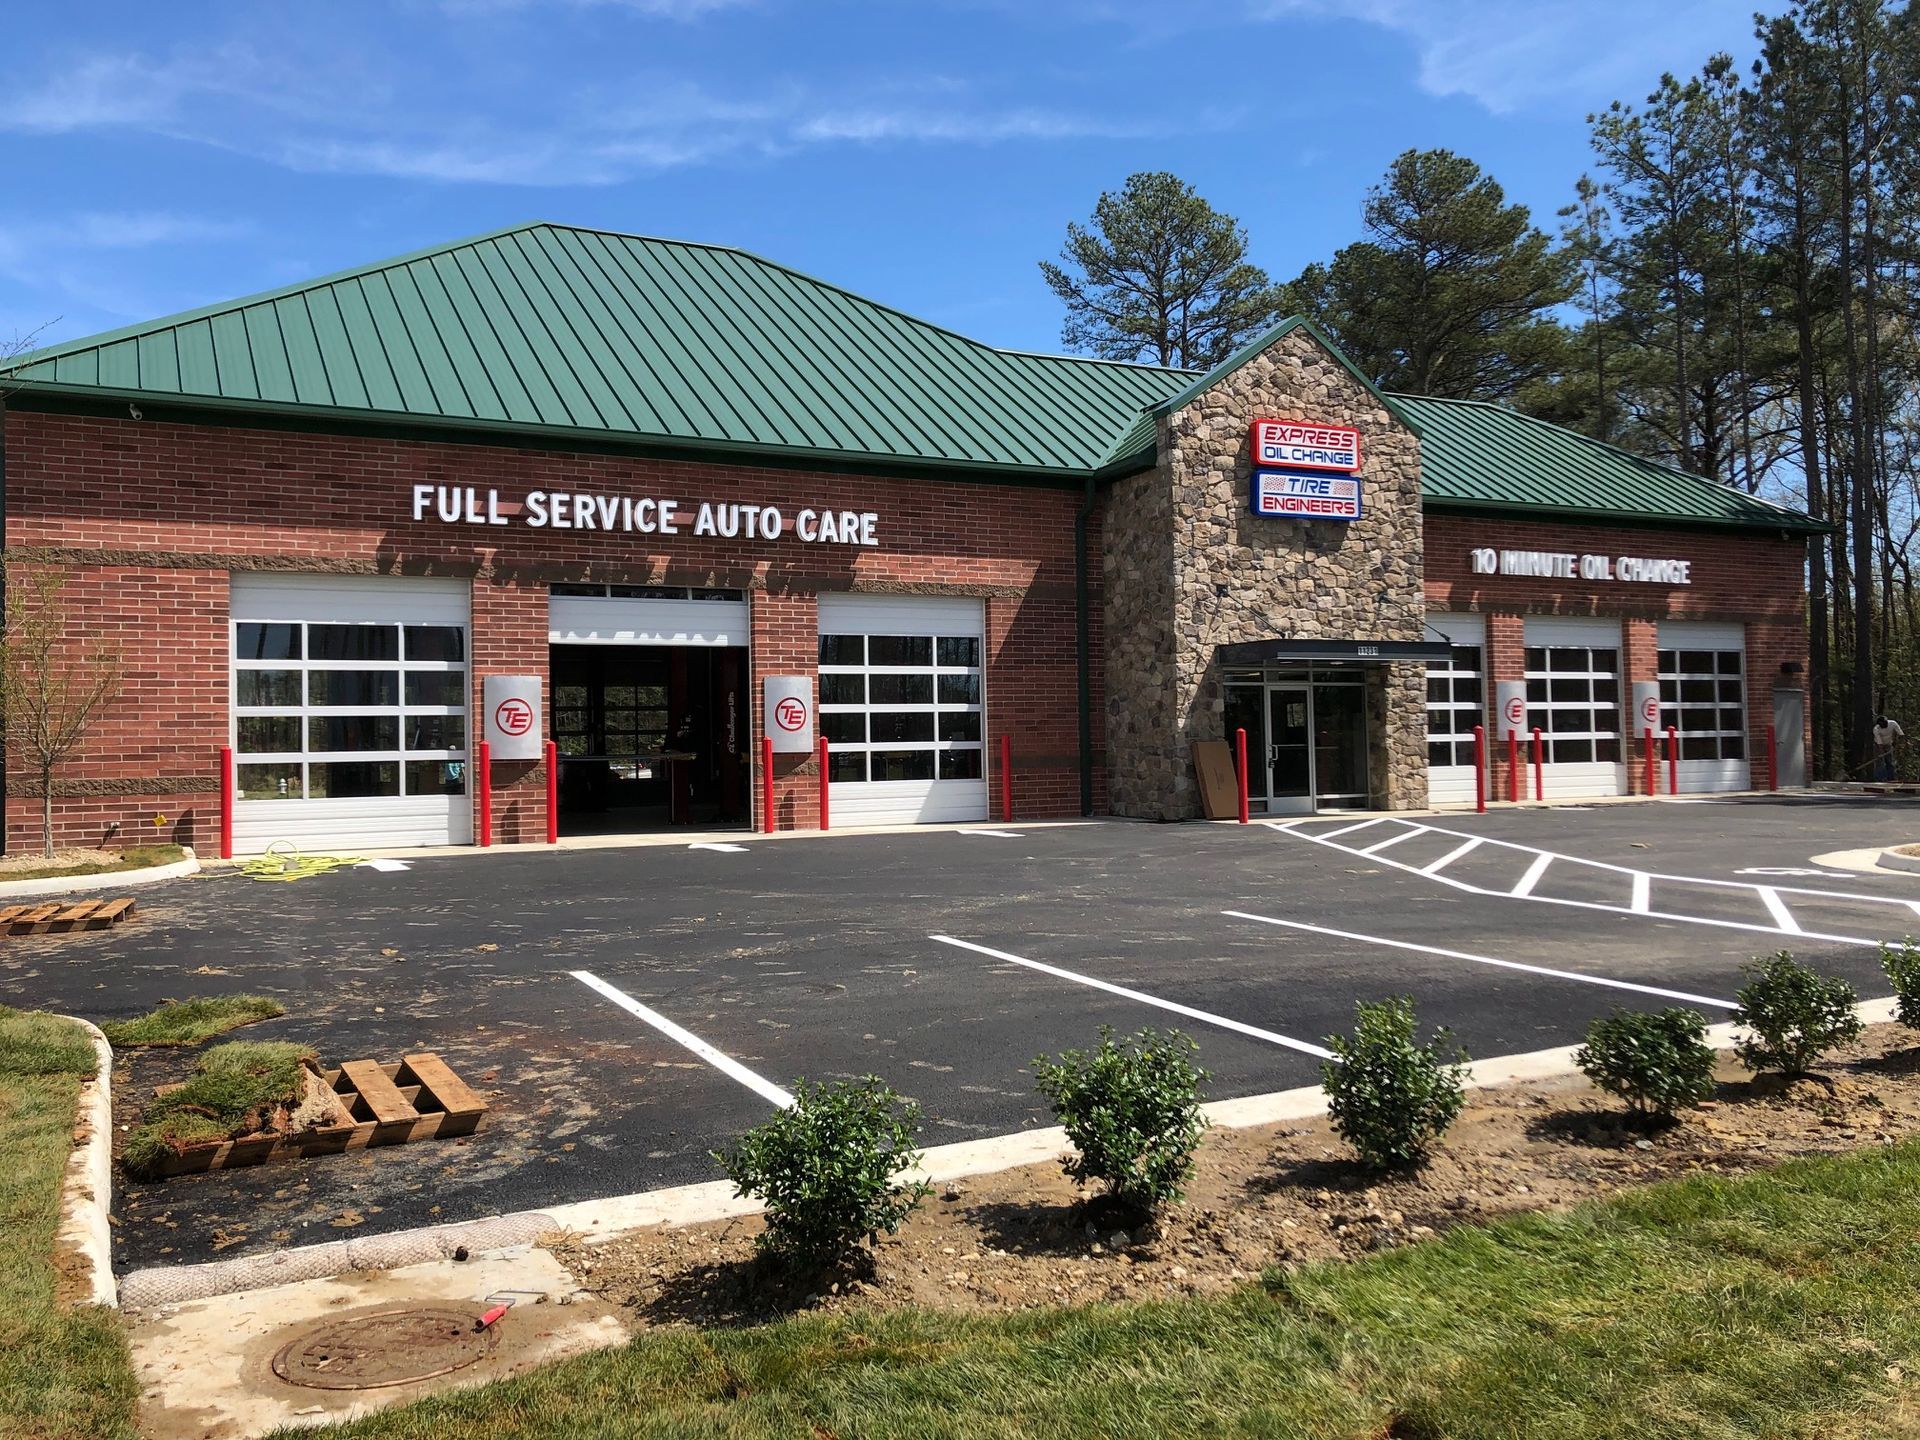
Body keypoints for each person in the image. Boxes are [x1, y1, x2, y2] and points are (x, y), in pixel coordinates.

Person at [1873, 712, 1904, 782]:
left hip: (1888, 744)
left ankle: (1891, 778)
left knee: (1889, 761)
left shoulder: (1893, 723)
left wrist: (1900, 744)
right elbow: (1879, 743)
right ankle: (1880, 778)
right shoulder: (1876, 729)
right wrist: (1881, 753)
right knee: (1880, 762)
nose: (1883, 726)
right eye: (1881, 725)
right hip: (1878, 745)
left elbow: (1901, 734)